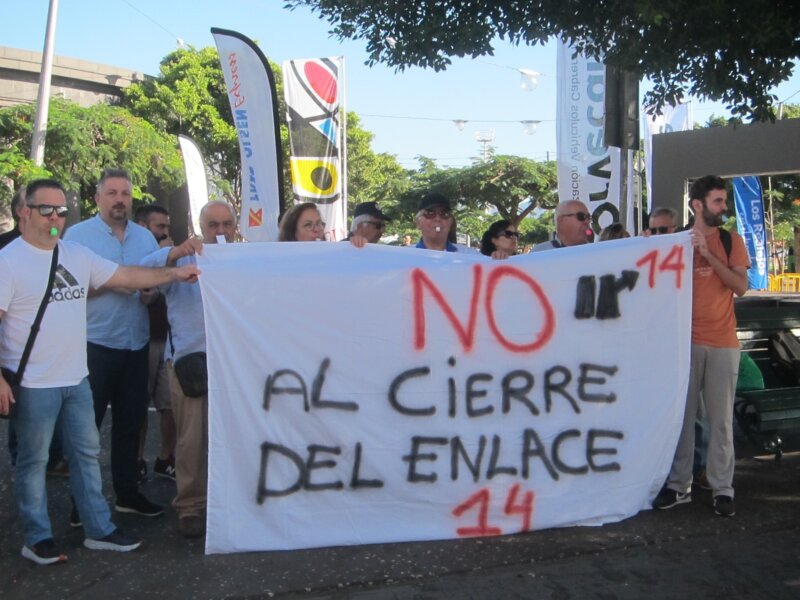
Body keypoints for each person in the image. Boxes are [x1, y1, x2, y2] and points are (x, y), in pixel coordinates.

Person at [0, 178, 199, 564]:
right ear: (24, 212)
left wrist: (174, 274)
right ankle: (37, 537)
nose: (55, 217)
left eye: (60, 210)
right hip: (34, 382)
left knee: (87, 454)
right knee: (34, 461)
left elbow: (127, 276)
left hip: (77, 378)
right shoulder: (8, 262)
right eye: (46, 210)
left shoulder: (75, 254)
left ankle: (98, 529)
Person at [63, 168, 163, 518]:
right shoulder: (77, 237)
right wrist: (114, 283)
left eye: (125, 194)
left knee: (130, 424)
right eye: (112, 193)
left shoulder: (144, 238)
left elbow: (153, 287)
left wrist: (150, 294)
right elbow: (66, 289)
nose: (120, 200)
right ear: (97, 198)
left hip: (135, 343)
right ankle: (82, 504)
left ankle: (127, 494)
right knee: (86, 429)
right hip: (95, 344)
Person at [653, 175, 750, 518]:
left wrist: (709, 254)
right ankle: (680, 485)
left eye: (724, 201)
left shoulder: (730, 240)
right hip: (685, 343)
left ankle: (723, 488)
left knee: (720, 421)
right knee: (684, 419)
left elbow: (740, 286)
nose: (724, 207)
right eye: (717, 201)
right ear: (698, 204)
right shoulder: (677, 241)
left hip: (722, 342)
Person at [140, 201, 235, 538]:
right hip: (190, 362)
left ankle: (233, 499)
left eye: (227, 224)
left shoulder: (243, 259)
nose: (220, 231)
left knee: (236, 434)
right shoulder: (182, 259)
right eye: (213, 225)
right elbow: (142, 272)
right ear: (201, 226)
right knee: (191, 439)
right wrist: (175, 252)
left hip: (234, 362)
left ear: (235, 227)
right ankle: (190, 506)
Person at [133, 204, 176, 482]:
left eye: (167, 226)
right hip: (143, 340)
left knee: (169, 405)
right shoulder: (139, 255)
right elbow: (146, 294)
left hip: (168, 339)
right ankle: (136, 460)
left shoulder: (172, 253)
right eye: (160, 226)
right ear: (143, 227)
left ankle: (165, 458)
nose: (165, 232)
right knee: (139, 405)